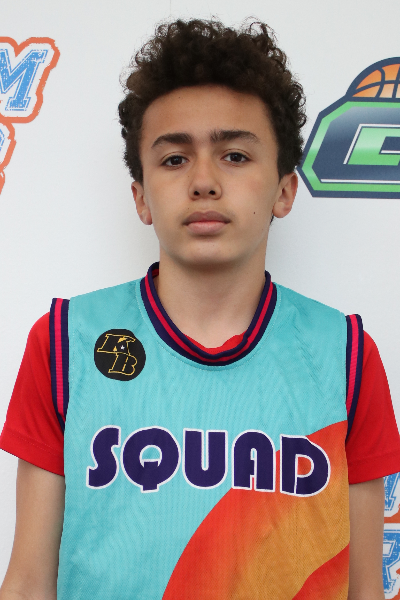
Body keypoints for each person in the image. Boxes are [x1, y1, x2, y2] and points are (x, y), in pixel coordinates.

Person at [0, 18, 399, 600]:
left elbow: (364, 590)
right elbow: (28, 582)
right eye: (174, 159)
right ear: (141, 197)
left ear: (284, 190)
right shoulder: (65, 344)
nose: (204, 181)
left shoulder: (346, 356)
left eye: (235, 155)